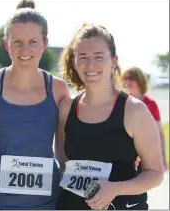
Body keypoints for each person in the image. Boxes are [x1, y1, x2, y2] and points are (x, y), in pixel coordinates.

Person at [54, 23, 164, 210]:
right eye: (83, 57)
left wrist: (115, 188)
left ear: (113, 61)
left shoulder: (135, 111)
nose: (91, 64)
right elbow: (63, 163)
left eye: (98, 57)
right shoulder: (66, 108)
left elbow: (155, 173)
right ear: (75, 61)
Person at [0, 0, 70, 209]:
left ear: (44, 44)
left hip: (48, 203)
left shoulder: (58, 90)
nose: (24, 50)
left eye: (33, 42)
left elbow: (65, 154)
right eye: (17, 42)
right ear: (7, 44)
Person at [121, 67, 167, 170]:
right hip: (127, 156)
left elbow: (159, 133)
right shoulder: (122, 102)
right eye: (124, 78)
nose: (126, 81)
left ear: (140, 80)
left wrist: (163, 157)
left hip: (147, 155)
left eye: (130, 78)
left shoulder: (151, 104)